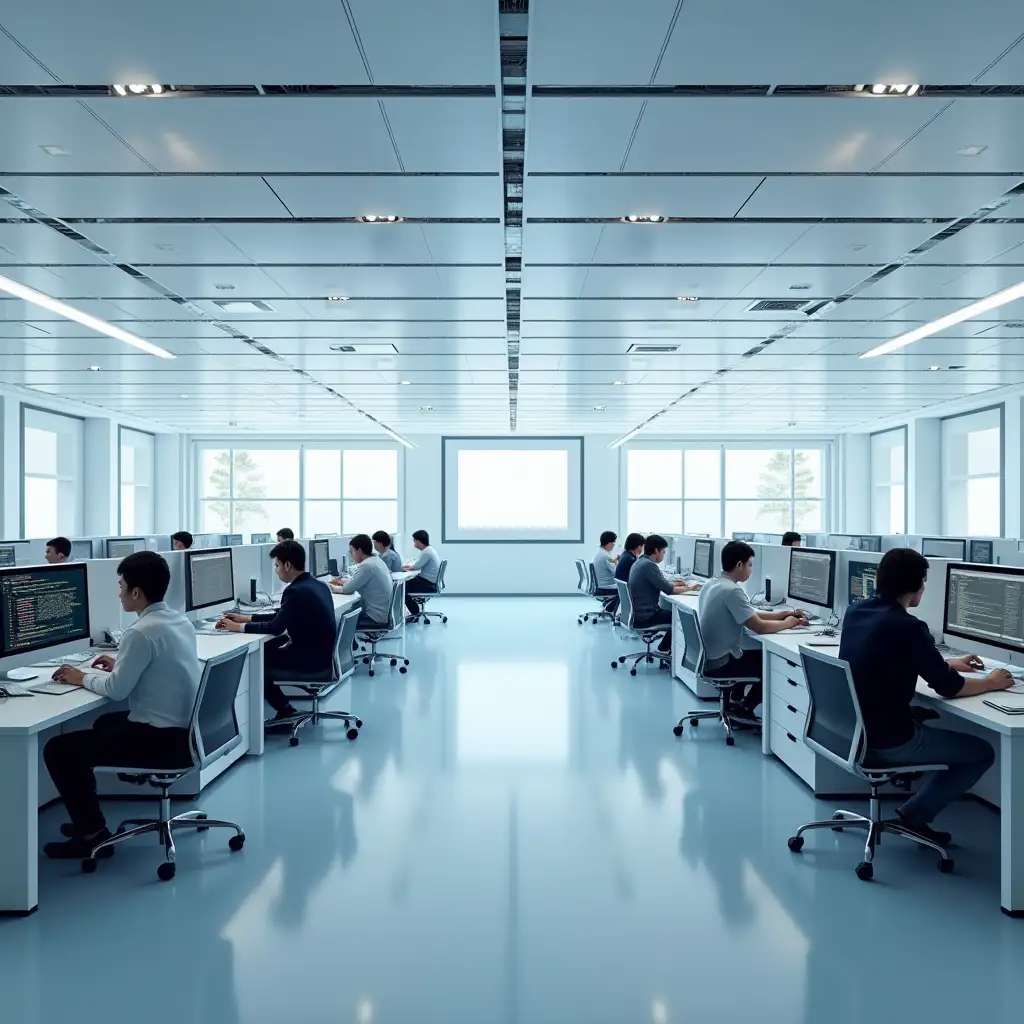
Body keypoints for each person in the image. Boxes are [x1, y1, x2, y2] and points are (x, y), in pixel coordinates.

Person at [839, 547, 1009, 845]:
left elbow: (887, 658)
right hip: (888, 741)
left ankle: (914, 813)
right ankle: (916, 816)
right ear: (917, 586)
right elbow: (950, 688)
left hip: (852, 730)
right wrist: (992, 682)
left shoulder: (857, 611)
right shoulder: (907, 626)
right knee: (982, 752)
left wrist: (944, 663)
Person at [42, 551, 200, 858]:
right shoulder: (177, 620)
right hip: (187, 733)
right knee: (104, 724)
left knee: (59, 749)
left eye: (120, 586)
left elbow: (116, 690)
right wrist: (122, 663)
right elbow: (160, 665)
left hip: (161, 742)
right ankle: (88, 819)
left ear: (136, 592)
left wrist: (79, 677)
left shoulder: (139, 632)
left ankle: (91, 833)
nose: (119, 593)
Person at [217, 539, 335, 730]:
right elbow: (283, 615)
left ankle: (282, 711)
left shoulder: (295, 591)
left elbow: (275, 628)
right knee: (268, 650)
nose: (276, 569)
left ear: (287, 565)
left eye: (277, 565)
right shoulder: (317, 585)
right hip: (321, 656)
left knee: (257, 664)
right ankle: (284, 709)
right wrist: (245, 618)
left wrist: (236, 628)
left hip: (310, 662)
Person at [698, 540, 808, 718]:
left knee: (750, 654)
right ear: (739, 564)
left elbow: (750, 614)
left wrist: (784, 614)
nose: (751, 569)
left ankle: (737, 703)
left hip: (711, 657)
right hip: (722, 663)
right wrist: (790, 623)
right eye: (750, 565)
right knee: (769, 662)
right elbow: (759, 626)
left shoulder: (713, 583)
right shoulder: (733, 591)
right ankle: (745, 708)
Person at [628, 535, 701, 663]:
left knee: (673, 614)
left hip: (638, 613)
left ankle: (664, 648)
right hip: (646, 616)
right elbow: (670, 590)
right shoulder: (649, 566)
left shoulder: (640, 562)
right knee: (680, 618)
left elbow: (660, 583)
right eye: (663, 552)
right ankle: (665, 651)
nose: (663, 555)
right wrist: (691, 588)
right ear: (656, 551)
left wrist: (674, 584)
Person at [332, 534, 394, 629]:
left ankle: (349, 644)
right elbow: (357, 582)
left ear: (359, 551)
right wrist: (346, 582)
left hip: (374, 617)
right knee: (345, 614)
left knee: (338, 621)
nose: (351, 555)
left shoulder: (366, 566)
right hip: (383, 612)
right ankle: (353, 644)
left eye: (352, 551)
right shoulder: (376, 560)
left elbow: (347, 589)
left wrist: (328, 587)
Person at [403, 529, 441, 618]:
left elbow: (416, 567)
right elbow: (417, 566)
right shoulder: (428, 550)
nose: (414, 543)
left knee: (400, 589)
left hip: (427, 583)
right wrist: (409, 567)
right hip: (428, 581)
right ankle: (415, 611)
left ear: (419, 541)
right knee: (406, 585)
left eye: (414, 541)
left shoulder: (426, 552)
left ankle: (415, 612)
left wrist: (404, 567)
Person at [593, 530, 619, 613]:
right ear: (609, 543)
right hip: (606, 587)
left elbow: (610, 564)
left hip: (600, 585)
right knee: (626, 590)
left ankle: (609, 607)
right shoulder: (606, 556)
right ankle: (610, 608)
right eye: (613, 543)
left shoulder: (600, 553)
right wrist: (618, 562)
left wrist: (615, 561)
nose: (614, 545)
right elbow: (616, 573)